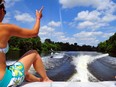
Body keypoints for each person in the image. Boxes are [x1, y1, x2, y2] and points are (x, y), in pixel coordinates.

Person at [0, 0, 52, 87]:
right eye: (5, 11)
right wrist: (38, 18)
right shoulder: (5, 28)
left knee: (25, 73)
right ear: (1, 11)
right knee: (34, 53)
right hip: (4, 82)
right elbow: (34, 33)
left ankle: (38, 80)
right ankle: (46, 79)